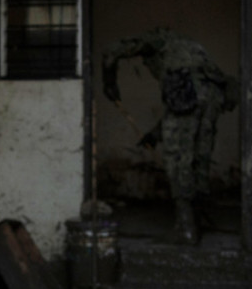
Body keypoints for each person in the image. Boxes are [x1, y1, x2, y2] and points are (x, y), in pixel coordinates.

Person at [101, 27, 238, 245]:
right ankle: (198, 218)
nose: (148, 67)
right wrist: (155, 135)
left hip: (189, 90)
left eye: (147, 62)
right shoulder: (188, 50)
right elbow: (184, 111)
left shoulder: (154, 40)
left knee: (178, 159)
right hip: (214, 93)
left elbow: (111, 52)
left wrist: (109, 82)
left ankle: (186, 229)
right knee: (199, 157)